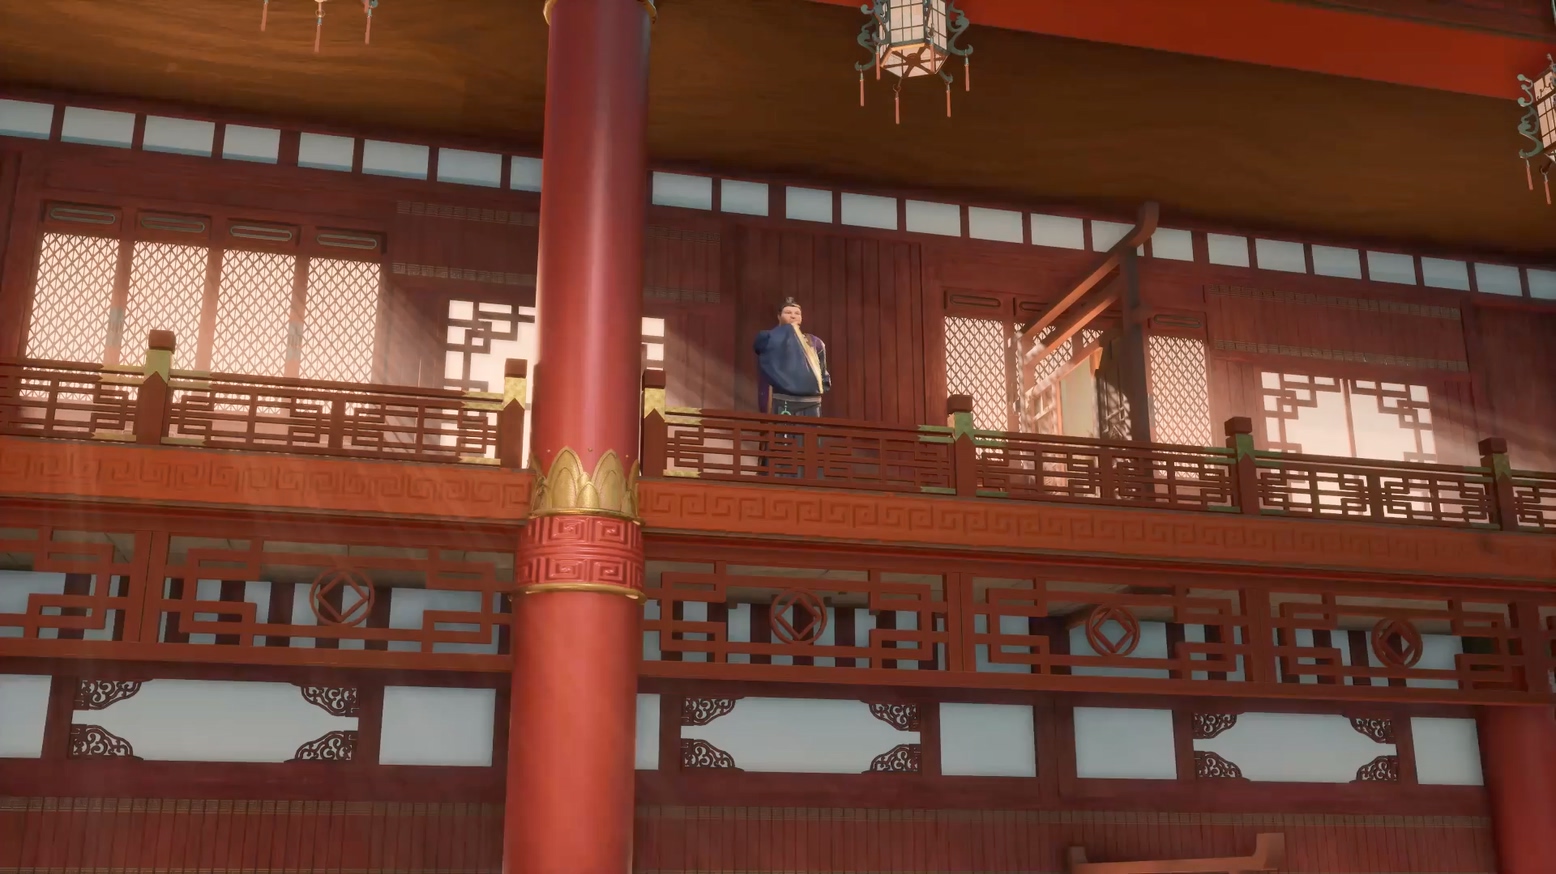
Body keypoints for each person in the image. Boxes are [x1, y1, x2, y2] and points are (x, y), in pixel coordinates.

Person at [754, 298, 831, 416]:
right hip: (782, 398)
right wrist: (786, 331)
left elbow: (822, 372)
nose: (793, 316)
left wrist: (819, 387)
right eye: (788, 312)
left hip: (811, 401)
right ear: (779, 316)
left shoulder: (815, 342)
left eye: (797, 313)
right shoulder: (768, 338)